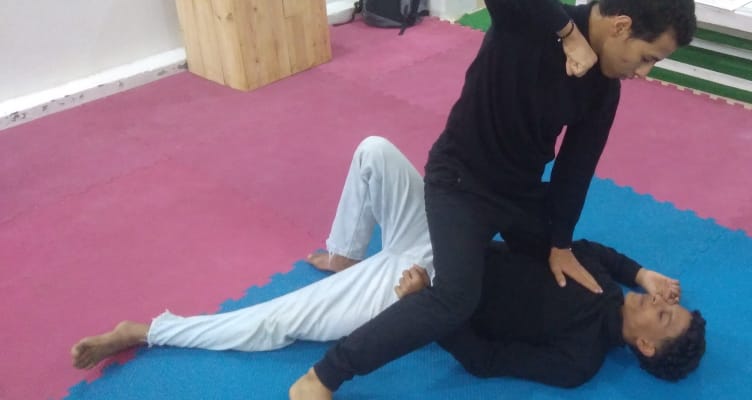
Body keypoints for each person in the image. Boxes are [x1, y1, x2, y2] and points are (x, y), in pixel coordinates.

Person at [293, 0, 698, 398]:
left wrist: (560, 244)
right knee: (454, 300)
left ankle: (474, 282)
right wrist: (567, 33)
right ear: (621, 26)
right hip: (461, 182)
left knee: (572, 261)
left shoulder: (604, 89)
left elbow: (575, 170)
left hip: (519, 193)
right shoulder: (529, 18)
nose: (644, 72)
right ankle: (322, 377)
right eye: (647, 57)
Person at [71, 137, 706, 389]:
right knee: (374, 151)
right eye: (668, 302)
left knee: (276, 322)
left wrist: (423, 302)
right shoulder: (606, 283)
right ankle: (344, 254)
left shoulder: (578, 360)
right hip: (446, 235)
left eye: (664, 316)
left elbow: (487, 360)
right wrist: (641, 273)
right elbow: (586, 249)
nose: (661, 303)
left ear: (647, 348)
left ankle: (148, 331)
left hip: (422, 287)